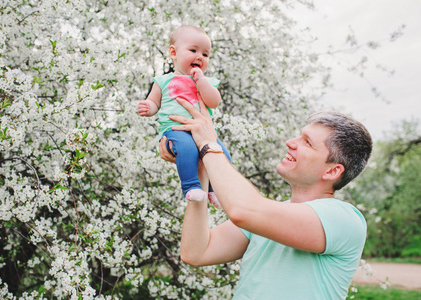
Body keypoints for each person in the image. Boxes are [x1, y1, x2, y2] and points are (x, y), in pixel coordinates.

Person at [159, 96, 373, 299]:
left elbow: (243, 211)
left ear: (332, 171)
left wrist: (209, 145)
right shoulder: (266, 216)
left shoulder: (344, 219)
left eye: (307, 142)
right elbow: (196, 252)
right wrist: (201, 171)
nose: (291, 142)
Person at [138, 25, 231, 207]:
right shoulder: (163, 80)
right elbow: (154, 102)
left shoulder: (207, 82)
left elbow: (214, 101)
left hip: (204, 131)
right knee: (187, 149)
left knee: (223, 155)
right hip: (176, 129)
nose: (200, 57)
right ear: (174, 53)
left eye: (205, 54)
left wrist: (201, 81)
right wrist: (147, 107)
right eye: (193, 50)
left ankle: (214, 190)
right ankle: (191, 187)